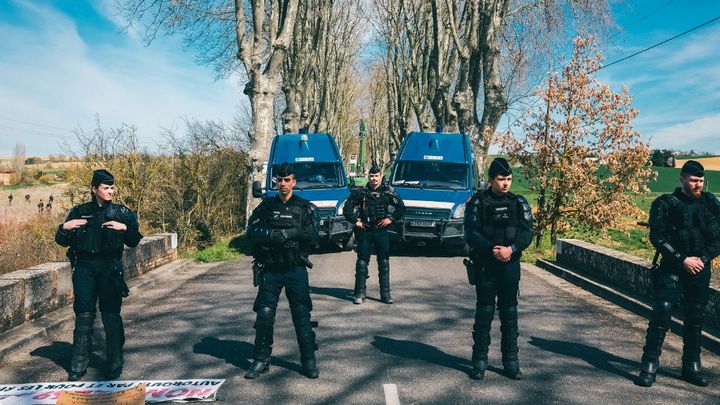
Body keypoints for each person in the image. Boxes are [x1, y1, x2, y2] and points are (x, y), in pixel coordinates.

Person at [636, 160, 720, 387]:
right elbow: (658, 237)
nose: (698, 185)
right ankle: (649, 365)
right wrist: (682, 259)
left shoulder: (711, 203)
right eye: (693, 180)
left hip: (700, 268)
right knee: (661, 313)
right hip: (672, 267)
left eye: (701, 180)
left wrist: (701, 259)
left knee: (695, 317)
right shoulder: (665, 203)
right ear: (682, 178)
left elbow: (718, 238)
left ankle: (691, 366)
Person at [55, 169, 142, 381]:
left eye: (112, 187)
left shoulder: (122, 212)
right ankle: (78, 363)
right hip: (84, 267)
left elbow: (134, 239)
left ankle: (114, 361)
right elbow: (62, 240)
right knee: (84, 315)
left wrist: (124, 228)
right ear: (95, 189)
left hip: (109, 268)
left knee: (110, 315)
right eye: (106, 187)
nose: (111, 191)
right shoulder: (79, 211)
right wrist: (64, 228)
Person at [245, 163, 320, 379]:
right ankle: (260, 359)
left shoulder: (305, 207)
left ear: (294, 182)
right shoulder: (267, 206)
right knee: (265, 314)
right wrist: (271, 235)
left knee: (301, 314)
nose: (283, 184)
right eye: (280, 180)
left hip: (295, 268)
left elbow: (315, 236)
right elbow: (251, 232)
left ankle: (308, 360)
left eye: (287, 180)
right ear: (276, 182)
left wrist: (292, 233)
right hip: (270, 269)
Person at [464, 157, 533, 380]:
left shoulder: (518, 202)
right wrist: (491, 249)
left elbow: (527, 233)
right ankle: (479, 361)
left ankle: (511, 361)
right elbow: (470, 232)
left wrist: (511, 249)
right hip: (486, 265)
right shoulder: (477, 202)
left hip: (510, 265)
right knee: (484, 313)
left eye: (509, 179)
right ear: (490, 180)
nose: (506, 183)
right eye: (501, 179)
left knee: (509, 313)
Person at [344, 163, 405, 305]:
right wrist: (355, 221)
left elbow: (401, 207)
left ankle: (385, 294)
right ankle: (359, 292)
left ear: (380, 176)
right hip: (365, 231)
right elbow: (347, 208)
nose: (374, 179)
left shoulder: (387, 192)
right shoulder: (361, 193)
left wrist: (391, 219)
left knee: (383, 262)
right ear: (368, 177)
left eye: (376, 176)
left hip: (381, 231)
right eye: (371, 176)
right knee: (362, 262)